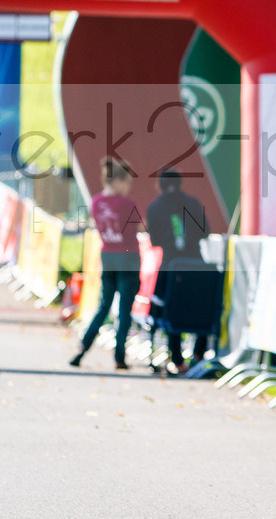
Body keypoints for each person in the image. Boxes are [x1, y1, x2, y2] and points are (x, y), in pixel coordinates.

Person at [70, 157, 145, 370]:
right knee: (124, 310)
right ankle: (119, 356)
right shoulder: (128, 203)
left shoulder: (96, 202)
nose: (129, 187)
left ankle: (83, 347)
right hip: (128, 258)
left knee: (103, 305)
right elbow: (141, 228)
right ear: (118, 181)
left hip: (108, 257)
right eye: (127, 182)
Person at [146, 169, 211, 375]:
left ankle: (177, 358)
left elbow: (155, 241)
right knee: (201, 307)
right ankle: (199, 354)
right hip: (195, 264)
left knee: (170, 309)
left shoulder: (155, 207)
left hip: (170, 266)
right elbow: (206, 231)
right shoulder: (192, 203)